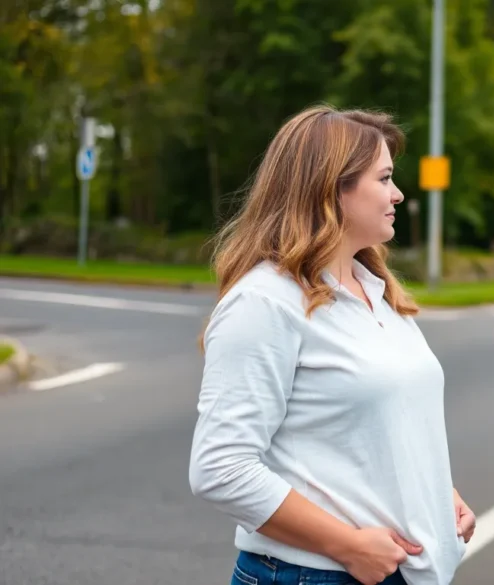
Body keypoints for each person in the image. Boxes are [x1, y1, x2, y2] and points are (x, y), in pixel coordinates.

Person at [188, 104, 475, 585]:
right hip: (315, 575)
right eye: (384, 178)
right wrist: (348, 545)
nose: (398, 194)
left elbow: (381, 429)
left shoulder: (377, 293)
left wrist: (437, 494)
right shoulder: (265, 302)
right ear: (332, 188)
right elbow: (220, 467)